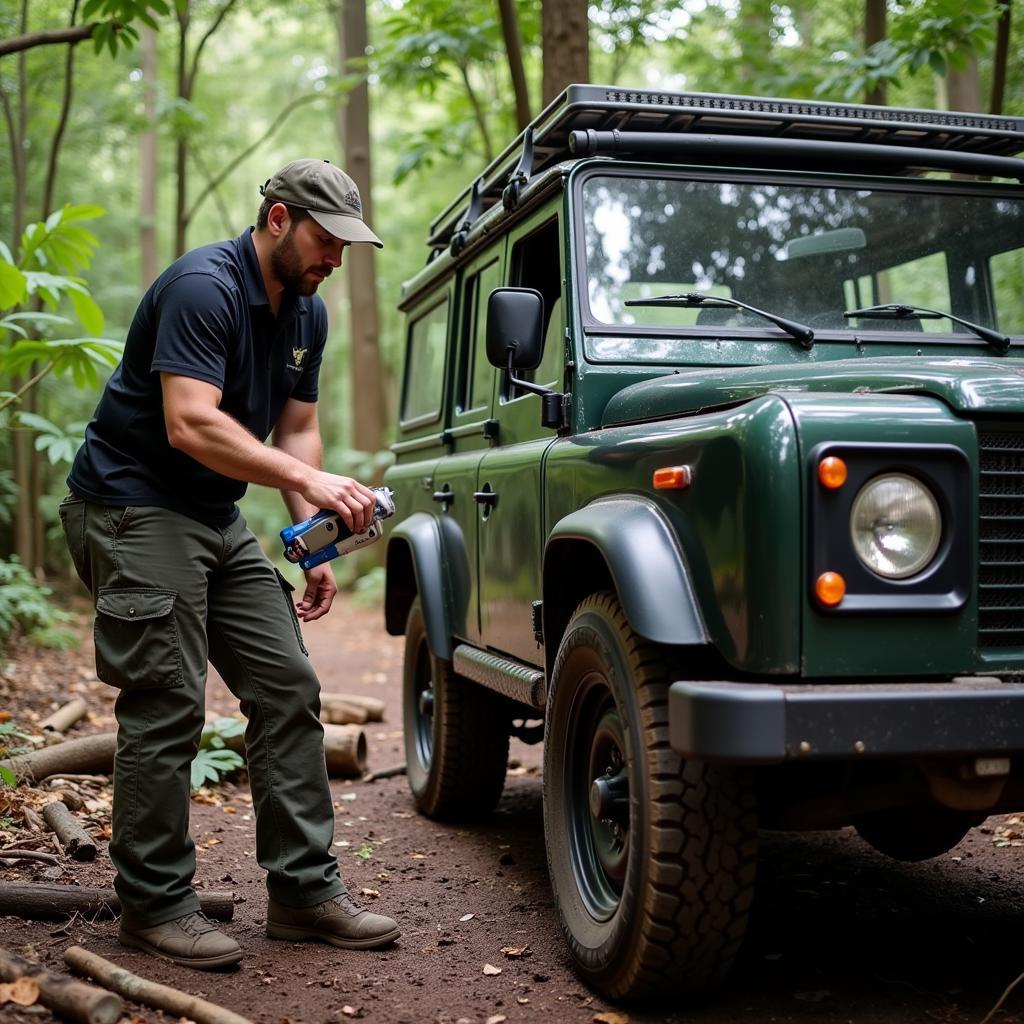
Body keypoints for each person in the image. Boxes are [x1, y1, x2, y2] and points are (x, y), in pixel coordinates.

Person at [58, 159, 399, 970]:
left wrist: (312, 533)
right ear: (279, 218)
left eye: (348, 245)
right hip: (129, 505)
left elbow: (299, 429)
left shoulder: (307, 314)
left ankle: (305, 894)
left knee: (287, 685)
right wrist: (309, 479)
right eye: (326, 239)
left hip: (213, 515)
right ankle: (154, 906)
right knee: (168, 700)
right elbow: (190, 424)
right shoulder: (201, 287)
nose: (336, 259)